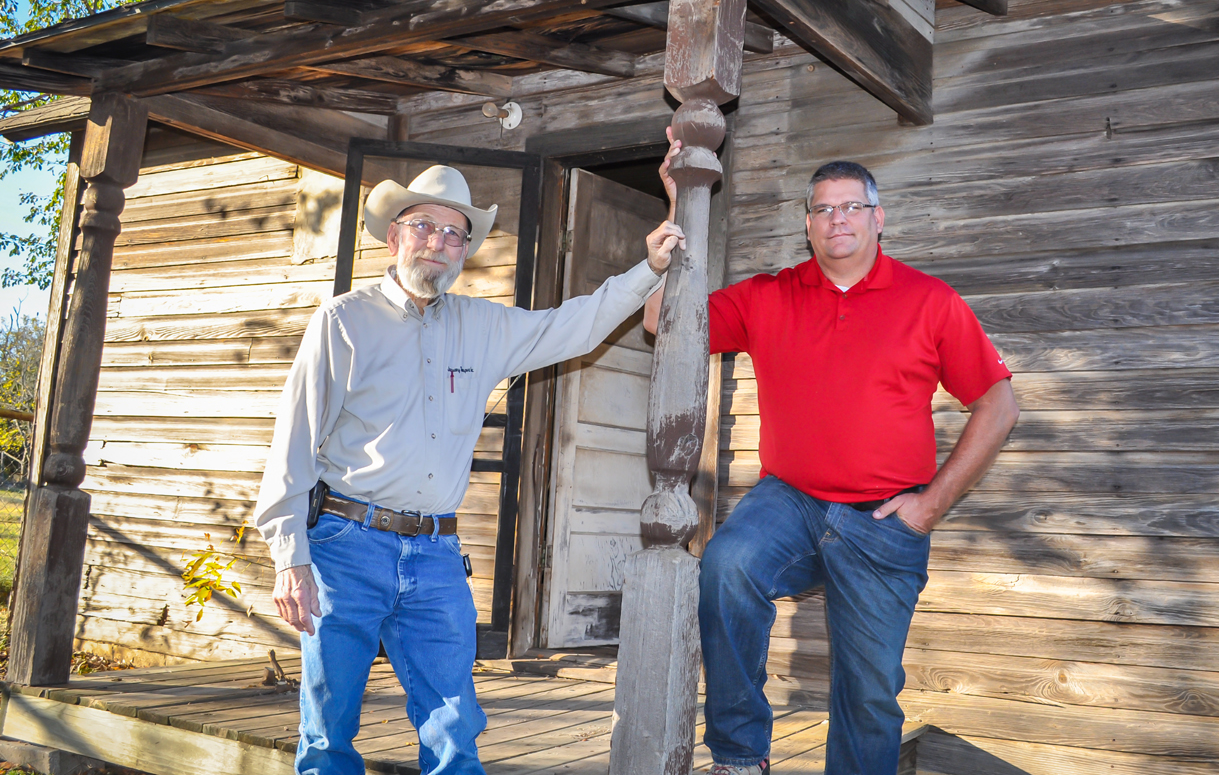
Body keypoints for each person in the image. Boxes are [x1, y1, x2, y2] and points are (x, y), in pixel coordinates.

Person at [256, 161, 684, 775]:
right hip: (344, 549)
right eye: (424, 225)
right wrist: (289, 556)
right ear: (393, 236)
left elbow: (576, 324)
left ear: (466, 251)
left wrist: (650, 269)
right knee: (329, 730)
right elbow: (293, 443)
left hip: (434, 556)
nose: (439, 241)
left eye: (455, 233)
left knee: (455, 728)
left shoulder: (485, 327)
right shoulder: (343, 322)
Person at [644, 141, 1019, 775]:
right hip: (789, 498)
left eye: (852, 207)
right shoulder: (770, 296)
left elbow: (999, 406)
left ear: (879, 217)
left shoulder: (930, 301)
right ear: (808, 224)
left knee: (869, 693)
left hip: (884, 519)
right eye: (823, 209)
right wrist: (680, 202)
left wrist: (930, 506)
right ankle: (739, 758)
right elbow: (661, 322)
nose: (837, 219)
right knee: (727, 566)